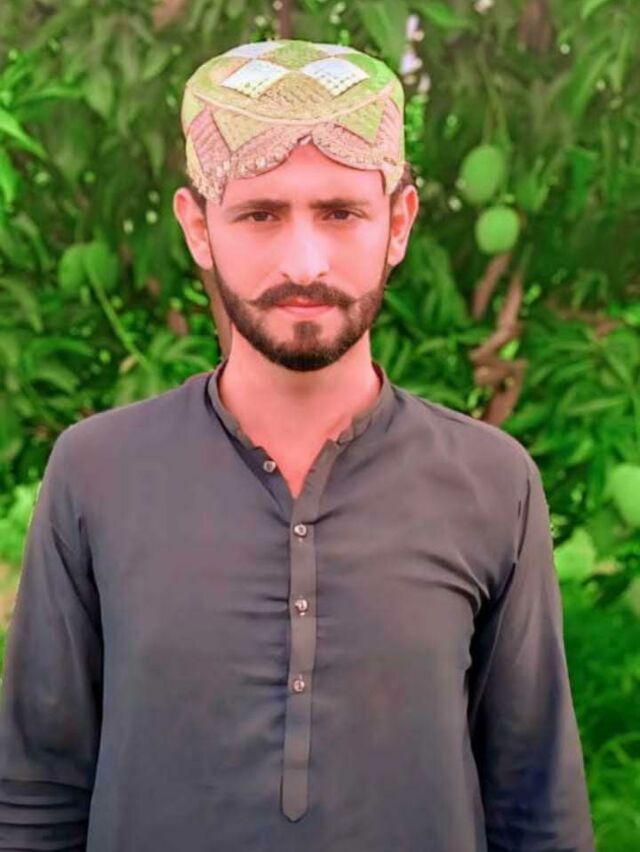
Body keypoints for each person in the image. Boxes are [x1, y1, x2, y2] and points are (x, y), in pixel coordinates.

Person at [0, 38, 594, 852]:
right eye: (260, 214)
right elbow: (35, 798)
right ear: (198, 228)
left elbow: (536, 808)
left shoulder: (493, 483)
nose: (304, 261)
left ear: (399, 224)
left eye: (341, 213)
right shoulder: (95, 473)